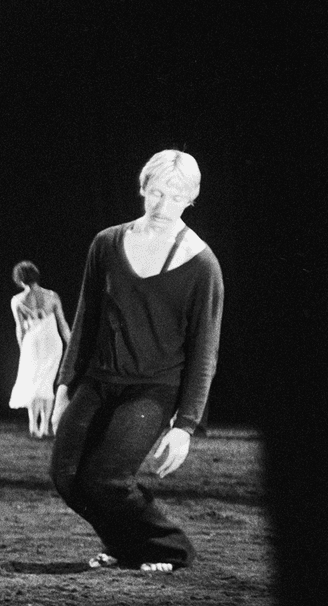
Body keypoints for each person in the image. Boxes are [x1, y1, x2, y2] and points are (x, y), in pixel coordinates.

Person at [50, 150, 223, 572]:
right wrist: (63, 386)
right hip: (98, 379)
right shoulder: (107, 243)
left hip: (154, 388)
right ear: (142, 188)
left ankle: (170, 549)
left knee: (106, 480)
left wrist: (185, 425)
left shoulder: (202, 264)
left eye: (176, 197)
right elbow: (85, 318)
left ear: (192, 199)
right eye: (157, 192)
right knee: (66, 477)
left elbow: (205, 351)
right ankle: (124, 545)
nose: (164, 206)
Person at [7, 261, 70, 438]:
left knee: (33, 384)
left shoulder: (17, 300)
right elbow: (63, 324)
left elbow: (20, 328)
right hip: (52, 342)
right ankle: (44, 427)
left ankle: (33, 425)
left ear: (19, 279)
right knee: (47, 384)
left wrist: (22, 349)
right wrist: (71, 344)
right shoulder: (52, 296)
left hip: (32, 343)